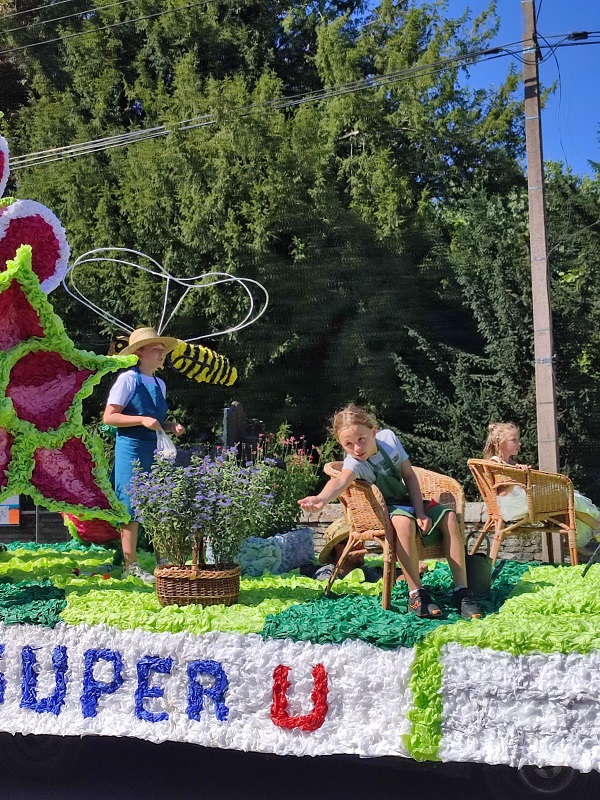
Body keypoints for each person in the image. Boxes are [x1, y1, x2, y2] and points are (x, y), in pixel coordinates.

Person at [298, 405, 482, 619]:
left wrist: (421, 512)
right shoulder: (354, 464)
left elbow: (409, 476)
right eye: (348, 444)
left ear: (373, 432)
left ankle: (461, 591)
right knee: (404, 523)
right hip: (385, 510)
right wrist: (320, 499)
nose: (357, 448)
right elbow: (340, 481)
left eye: (361, 439)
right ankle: (416, 594)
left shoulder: (389, 440)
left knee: (449, 517)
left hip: (407, 501)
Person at [103, 327, 185, 583]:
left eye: (162, 350)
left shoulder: (160, 384)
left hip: (155, 450)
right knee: (130, 506)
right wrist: (141, 420)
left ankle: (164, 561)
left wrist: (170, 426)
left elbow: (154, 421)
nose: (161, 354)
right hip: (131, 449)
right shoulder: (127, 379)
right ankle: (131, 566)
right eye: (156, 350)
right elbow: (109, 417)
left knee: (158, 503)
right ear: (139, 352)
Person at [484, 422, 600, 556]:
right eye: (514, 440)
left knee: (567, 498)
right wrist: (517, 477)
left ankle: (588, 534)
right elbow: (501, 493)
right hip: (511, 507)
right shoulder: (495, 462)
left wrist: (523, 474)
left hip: (523, 502)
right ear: (500, 443)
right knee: (567, 497)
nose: (519, 444)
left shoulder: (511, 463)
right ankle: (594, 530)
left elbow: (522, 485)